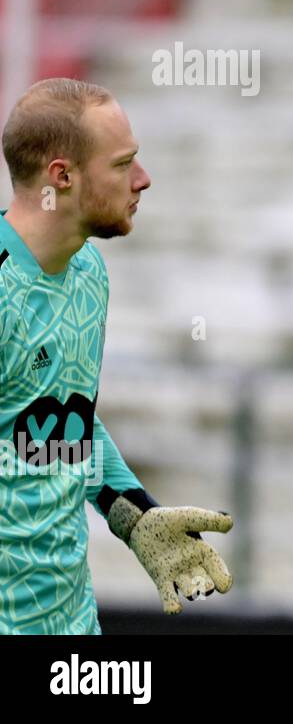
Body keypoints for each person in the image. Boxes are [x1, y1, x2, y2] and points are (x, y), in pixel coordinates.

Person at [1, 78, 234, 634]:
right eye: (123, 163)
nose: (142, 179)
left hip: (72, 623)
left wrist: (134, 516)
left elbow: (67, 419)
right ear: (63, 176)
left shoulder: (88, 275)